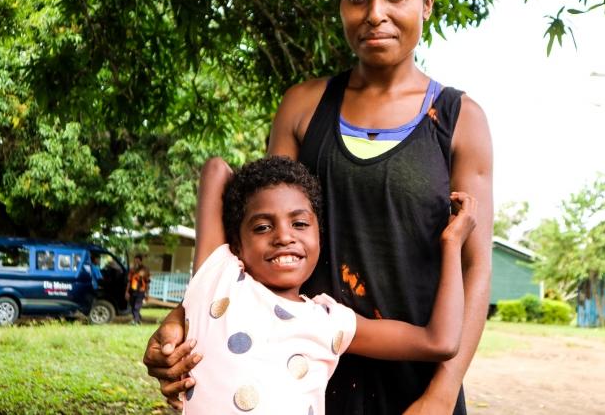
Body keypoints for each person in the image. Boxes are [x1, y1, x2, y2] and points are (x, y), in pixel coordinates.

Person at [145, 0, 492, 414]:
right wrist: (183, 318)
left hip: (416, 375)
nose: (376, 14)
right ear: (341, 6)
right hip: (299, 370)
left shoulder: (459, 119)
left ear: (427, 3)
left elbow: (476, 267)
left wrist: (439, 393)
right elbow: (254, 232)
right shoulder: (305, 106)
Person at [182, 156, 475, 414]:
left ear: (319, 236)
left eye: (299, 224)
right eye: (262, 226)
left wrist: (451, 244)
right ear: (236, 244)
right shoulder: (219, 277)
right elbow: (215, 169)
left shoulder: (329, 321)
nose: (284, 236)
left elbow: (440, 342)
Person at [126, 254, 151, 325]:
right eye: (135, 261)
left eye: (137, 261)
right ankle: (138, 319)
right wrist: (127, 292)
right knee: (132, 306)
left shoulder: (145, 269)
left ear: (140, 261)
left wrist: (147, 293)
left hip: (141, 290)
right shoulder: (132, 270)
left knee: (137, 306)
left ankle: (135, 320)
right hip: (132, 290)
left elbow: (147, 282)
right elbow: (129, 281)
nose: (136, 262)